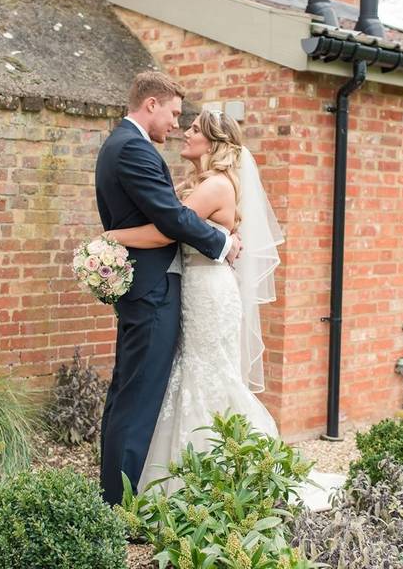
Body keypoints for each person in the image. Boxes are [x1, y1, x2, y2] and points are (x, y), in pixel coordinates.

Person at [104, 108, 284, 494]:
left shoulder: (216, 185)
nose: (185, 132)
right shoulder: (203, 183)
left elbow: (167, 231)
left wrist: (113, 237)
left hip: (208, 293)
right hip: (193, 289)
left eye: (195, 129)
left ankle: (226, 475)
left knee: (208, 376)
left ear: (214, 142)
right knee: (189, 375)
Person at [94, 72, 242, 506]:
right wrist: (222, 241)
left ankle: (116, 497)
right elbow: (168, 224)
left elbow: (173, 220)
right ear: (152, 104)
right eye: (176, 114)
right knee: (138, 400)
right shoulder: (134, 149)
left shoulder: (123, 145)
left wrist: (225, 233)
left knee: (132, 394)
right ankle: (119, 506)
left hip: (164, 290)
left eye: (189, 123)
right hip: (154, 291)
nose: (177, 125)